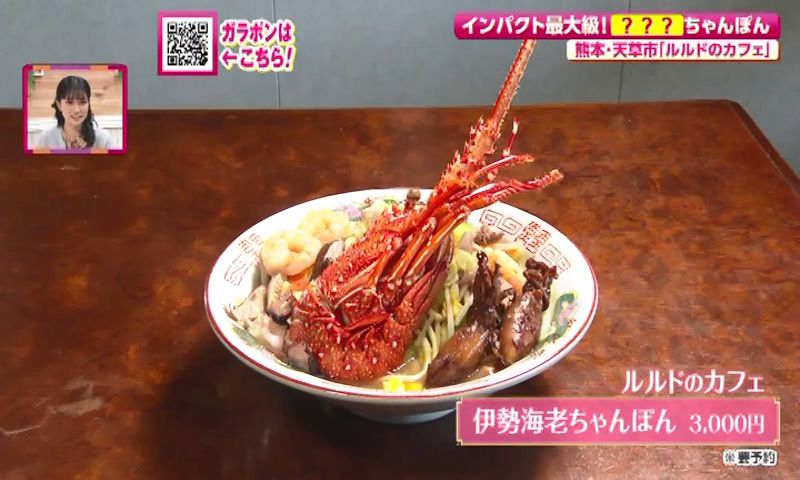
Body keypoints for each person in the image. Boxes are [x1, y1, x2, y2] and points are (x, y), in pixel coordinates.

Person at [35, 75, 114, 149]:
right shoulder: (45, 139)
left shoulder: (104, 139)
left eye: (83, 102)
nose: (77, 110)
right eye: (70, 102)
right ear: (59, 105)